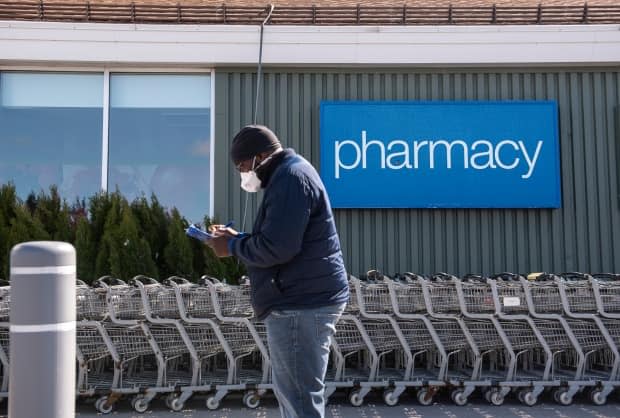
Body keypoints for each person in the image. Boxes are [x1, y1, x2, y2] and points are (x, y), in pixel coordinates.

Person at [207, 124, 349, 418]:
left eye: (242, 165)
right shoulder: (290, 173)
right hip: (304, 298)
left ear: (260, 157)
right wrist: (237, 238)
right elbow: (279, 238)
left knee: (298, 400)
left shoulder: (290, 179)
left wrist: (231, 247)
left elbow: (278, 248)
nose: (242, 173)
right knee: (300, 396)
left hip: (300, 304)